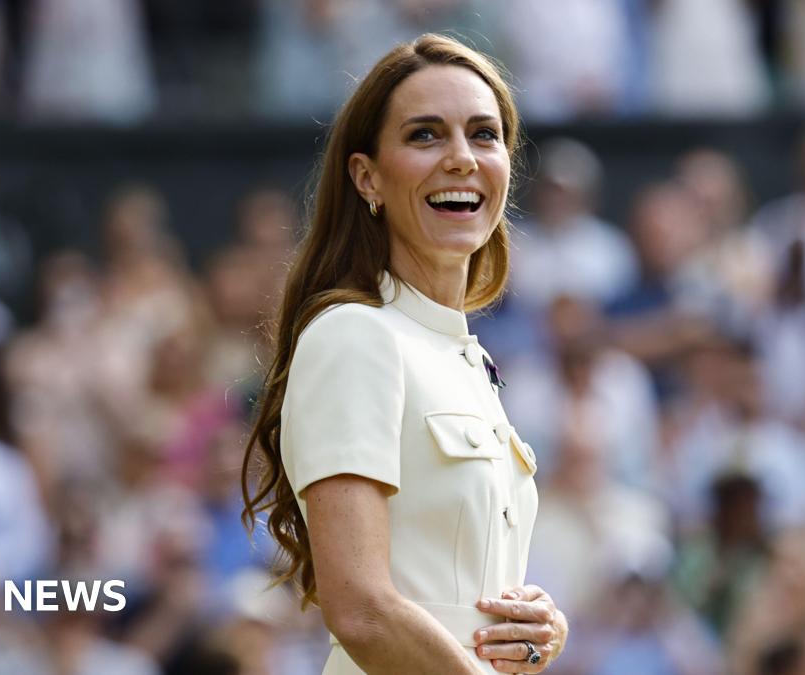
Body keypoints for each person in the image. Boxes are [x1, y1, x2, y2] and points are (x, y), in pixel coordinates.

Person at [241, 34, 569, 674]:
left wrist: (539, 630)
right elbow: (361, 607)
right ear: (367, 176)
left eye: (484, 134)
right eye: (425, 136)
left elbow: (455, 594)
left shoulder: (466, 358)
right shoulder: (353, 334)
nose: (461, 159)